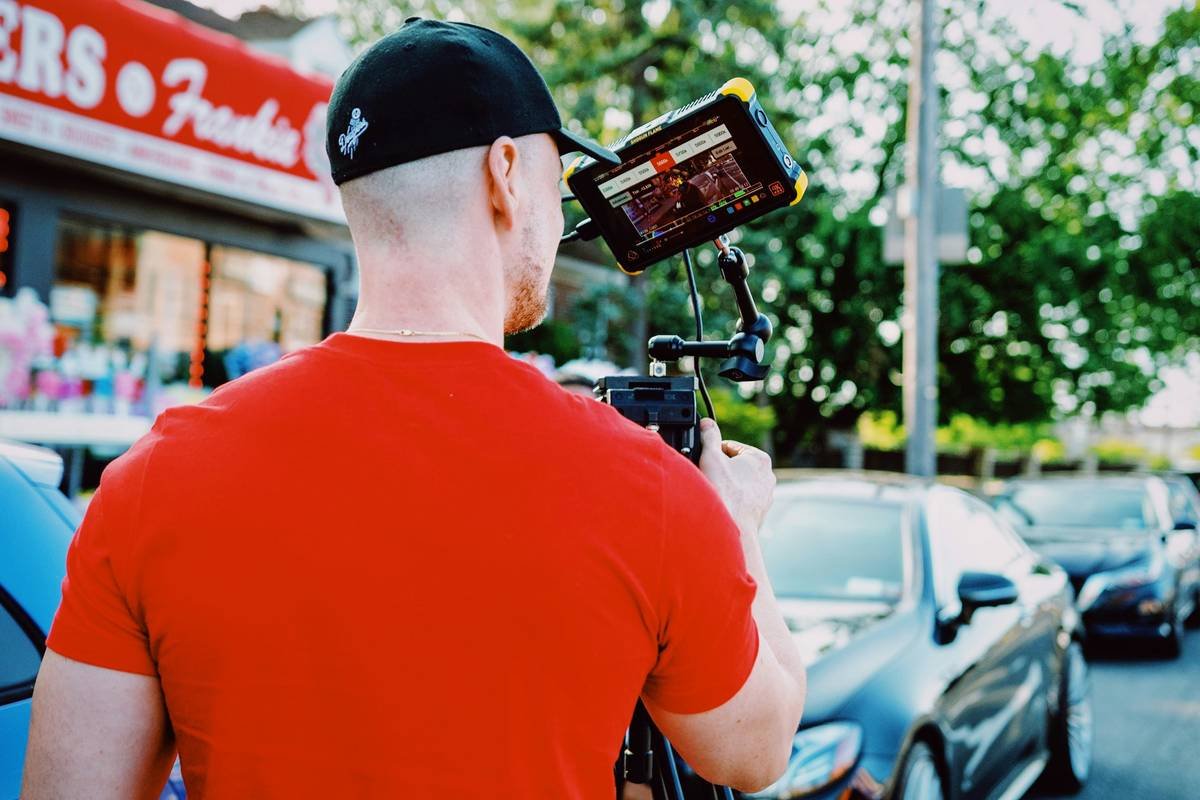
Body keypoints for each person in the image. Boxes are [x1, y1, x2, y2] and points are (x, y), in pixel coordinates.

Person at [21, 18, 805, 800]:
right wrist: (737, 527)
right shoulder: (649, 491)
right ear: (504, 174)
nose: (558, 216)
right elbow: (757, 750)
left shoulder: (149, 483)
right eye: (550, 177)